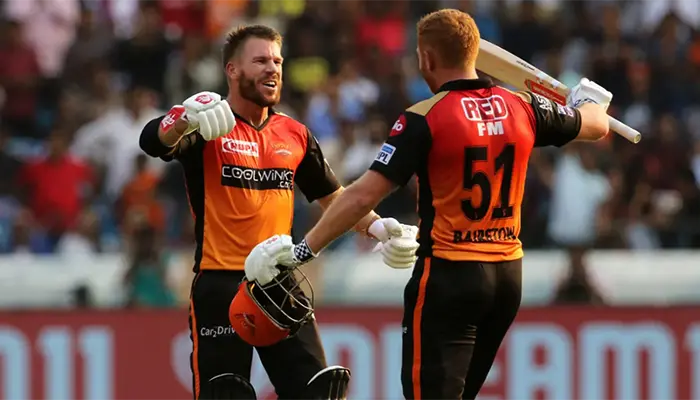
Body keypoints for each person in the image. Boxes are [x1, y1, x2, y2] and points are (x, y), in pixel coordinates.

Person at [244, 9, 614, 400]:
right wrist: (587, 100)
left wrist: (305, 249)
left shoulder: (424, 117)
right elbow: (596, 124)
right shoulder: (521, 106)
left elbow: (362, 195)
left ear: (426, 59)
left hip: (450, 276)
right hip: (507, 275)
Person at [138, 25, 418, 399]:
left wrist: (379, 227)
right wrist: (181, 119)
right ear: (233, 70)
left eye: (277, 61)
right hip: (220, 285)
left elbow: (335, 199)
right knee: (226, 394)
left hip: (278, 281)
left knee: (319, 393)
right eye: (260, 61)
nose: (272, 69)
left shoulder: (295, 133)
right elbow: (153, 140)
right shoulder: (207, 124)